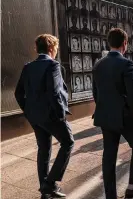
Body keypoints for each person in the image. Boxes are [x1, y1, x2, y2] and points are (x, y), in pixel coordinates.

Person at [14, 34, 74, 198]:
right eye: (56, 48)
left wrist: (28, 112)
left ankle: (45, 192)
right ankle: (50, 183)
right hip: (52, 115)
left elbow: (18, 93)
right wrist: (61, 115)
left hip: (35, 117)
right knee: (68, 142)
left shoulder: (28, 67)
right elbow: (55, 93)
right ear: (51, 48)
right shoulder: (53, 65)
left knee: (44, 149)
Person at [92, 28, 133, 199]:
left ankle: (111, 196)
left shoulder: (98, 64)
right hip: (125, 116)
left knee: (109, 155)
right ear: (125, 43)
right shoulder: (127, 64)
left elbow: (96, 93)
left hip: (105, 116)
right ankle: (131, 187)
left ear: (109, 43)